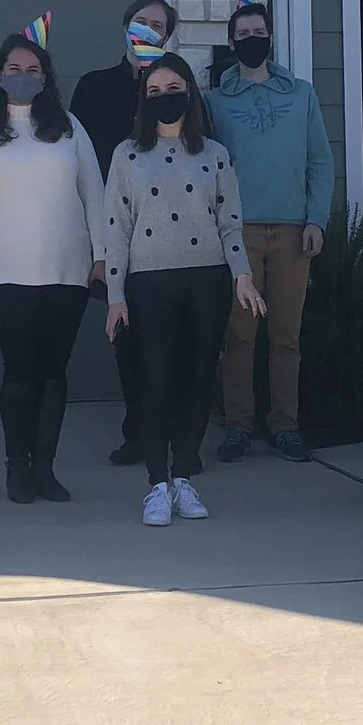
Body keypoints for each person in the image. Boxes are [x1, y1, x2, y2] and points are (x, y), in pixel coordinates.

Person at [0, 24, 109, 503]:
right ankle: (17, 467)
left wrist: (102, 257)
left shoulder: (70, 127)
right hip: (4, 272)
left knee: (54, 373)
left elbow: (94, 195)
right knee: (20, 372)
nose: (23, 75)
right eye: (14, 68)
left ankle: (46, 468)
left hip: (67, 271)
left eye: (33, 69)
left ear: (46, 77)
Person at [100, 52, 264, 525]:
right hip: (149, 281)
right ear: (143, 100)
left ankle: (184, 478)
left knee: (196, 378)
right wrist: (115, 295)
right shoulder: (127, 154)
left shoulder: (213, 154)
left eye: (172, 89)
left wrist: (243, 275)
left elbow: (230, 224)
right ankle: (156, 482)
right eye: (153, 92)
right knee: (157, 380)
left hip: (205, 278)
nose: (163, 98)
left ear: (189, 94)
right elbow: (117, 228)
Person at [210, 0, 334, 464]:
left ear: (270, 36)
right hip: (237, 233)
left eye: (257, 32)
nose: (251, 41)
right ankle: (238, 425)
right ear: (231, 43)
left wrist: (316, 219)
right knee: (240, 335)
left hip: (291, 232)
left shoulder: (300, 94)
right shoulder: (215, 101)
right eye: (242, 36)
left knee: (286, 335)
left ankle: (286, 426)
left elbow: (320, 160)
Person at [71, 0, 180, 468]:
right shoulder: (94, 87)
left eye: (158, 25)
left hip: (174, 232)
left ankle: (177, 435)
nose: (148, 30)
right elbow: (75, 161)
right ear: (125, 26)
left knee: (172, 338)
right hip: (114, 232)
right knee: (128, 337)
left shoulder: (177, 85)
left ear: (168, 35)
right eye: (141, 21)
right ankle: (137, 432)